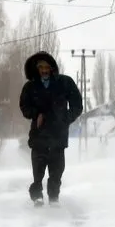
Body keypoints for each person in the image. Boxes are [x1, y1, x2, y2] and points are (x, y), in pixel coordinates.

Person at [19, 51, 83, 205]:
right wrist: (37, 114)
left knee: (57, 171)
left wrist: (65, 118)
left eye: (46, 66)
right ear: (37, 69)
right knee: (38, 171)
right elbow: (24, 107)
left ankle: (54, 197)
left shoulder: (64, 83)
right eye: (41, 67)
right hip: (38, 136)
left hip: (58, 136)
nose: (44, 70)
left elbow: (77, 104)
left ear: (52, 67)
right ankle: (37, 196)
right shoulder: (30, 87)